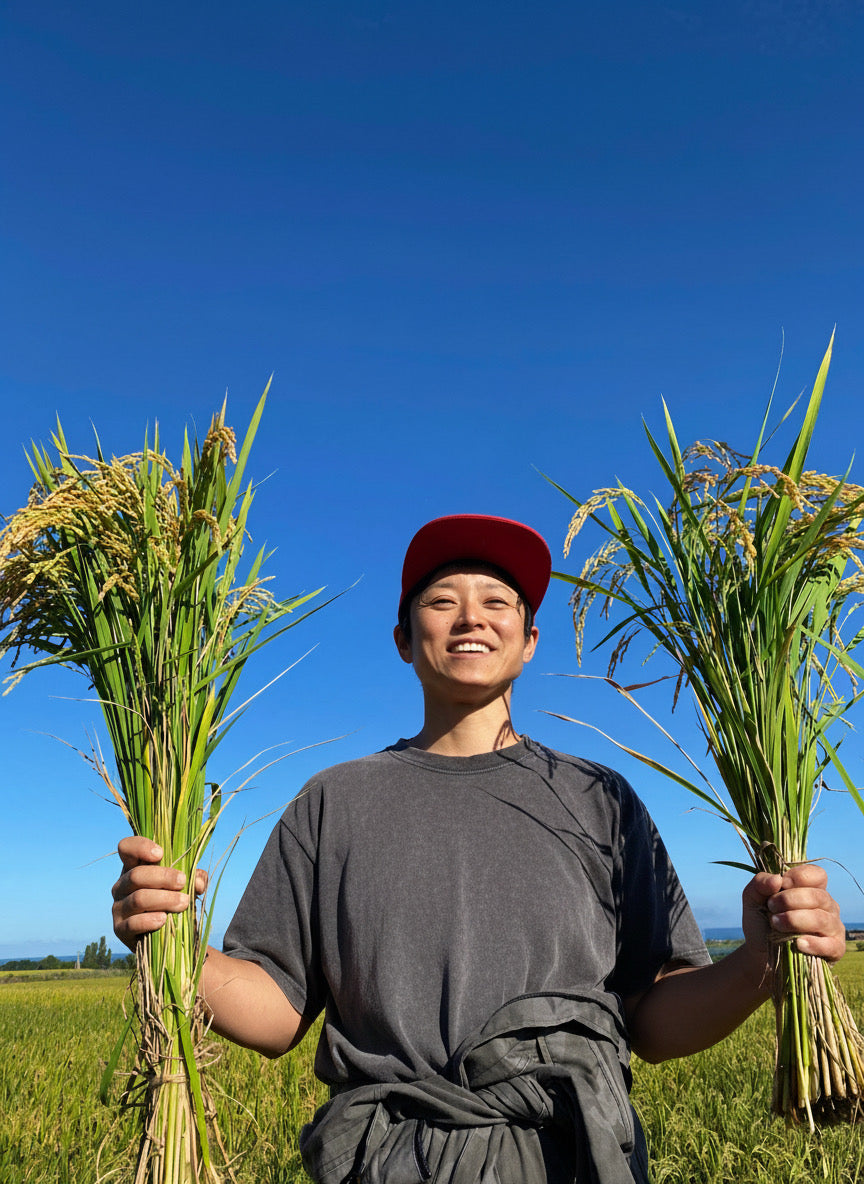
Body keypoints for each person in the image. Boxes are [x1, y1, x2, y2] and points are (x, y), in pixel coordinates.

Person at [112, 514, 846, 1184]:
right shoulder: (333, 800)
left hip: (574, 1159)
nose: (470, 617)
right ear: (404, 639)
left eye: (498, 602)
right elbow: (274, 1014)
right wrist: (171, 937)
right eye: (441, 601)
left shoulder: (600, 797)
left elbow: (650, 1021)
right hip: (390, 1162)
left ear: (528, 641)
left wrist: (762, 963)